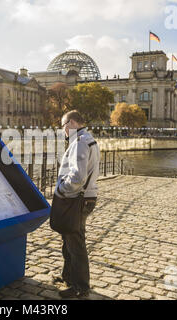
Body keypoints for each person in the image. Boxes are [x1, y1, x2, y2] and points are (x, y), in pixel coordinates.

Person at [52, 110, 100, 299]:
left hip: (76, 198)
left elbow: (78, 176)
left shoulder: (80, 143)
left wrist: (61, 190)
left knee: (75, 243)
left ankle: (80, 287)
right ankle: (68, 277)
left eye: (63, 126)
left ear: (71, 123)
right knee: (69, 239)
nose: (62, 130)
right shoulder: (88, 139)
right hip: (85, 197)